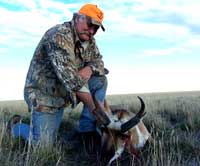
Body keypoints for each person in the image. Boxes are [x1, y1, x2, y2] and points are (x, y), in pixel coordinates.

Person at [9, 3, 136, 148]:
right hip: (45, 96)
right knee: (42, 144)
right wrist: (96, 111)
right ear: (77, 18)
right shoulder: (58, 36)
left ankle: (86, 131)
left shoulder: (89, 40)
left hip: (66, 92)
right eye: (90, 24)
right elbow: (74, 82)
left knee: (100, 80)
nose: (92, 31)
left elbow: (99, 63)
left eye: (96, 28)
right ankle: (15, 127)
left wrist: (89, 68)